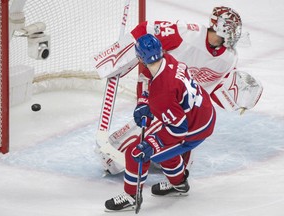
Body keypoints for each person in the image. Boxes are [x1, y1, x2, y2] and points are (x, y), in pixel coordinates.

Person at [97, 6, 263, 174]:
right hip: (157, 91)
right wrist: (116, 57)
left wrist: (234, 99)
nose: (236, 35)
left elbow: (214, 89)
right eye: (233, 30)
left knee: (182, 166)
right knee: (111, 160)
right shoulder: (187, 34)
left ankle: (158, 154)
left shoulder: (229, 58)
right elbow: (145, 29)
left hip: (184, 104)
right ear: (221, 27)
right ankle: (130, 149)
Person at [105, 34, 216, 211]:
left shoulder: (162, 94)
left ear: (140, 57)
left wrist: (152, 144)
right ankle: (179, 184)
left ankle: (132, 196)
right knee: (164, 151)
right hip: (204, 113)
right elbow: (161, 87)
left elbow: (178, 130)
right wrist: (144, 101)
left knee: (136, 152)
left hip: (194, 128)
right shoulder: (170, 60)